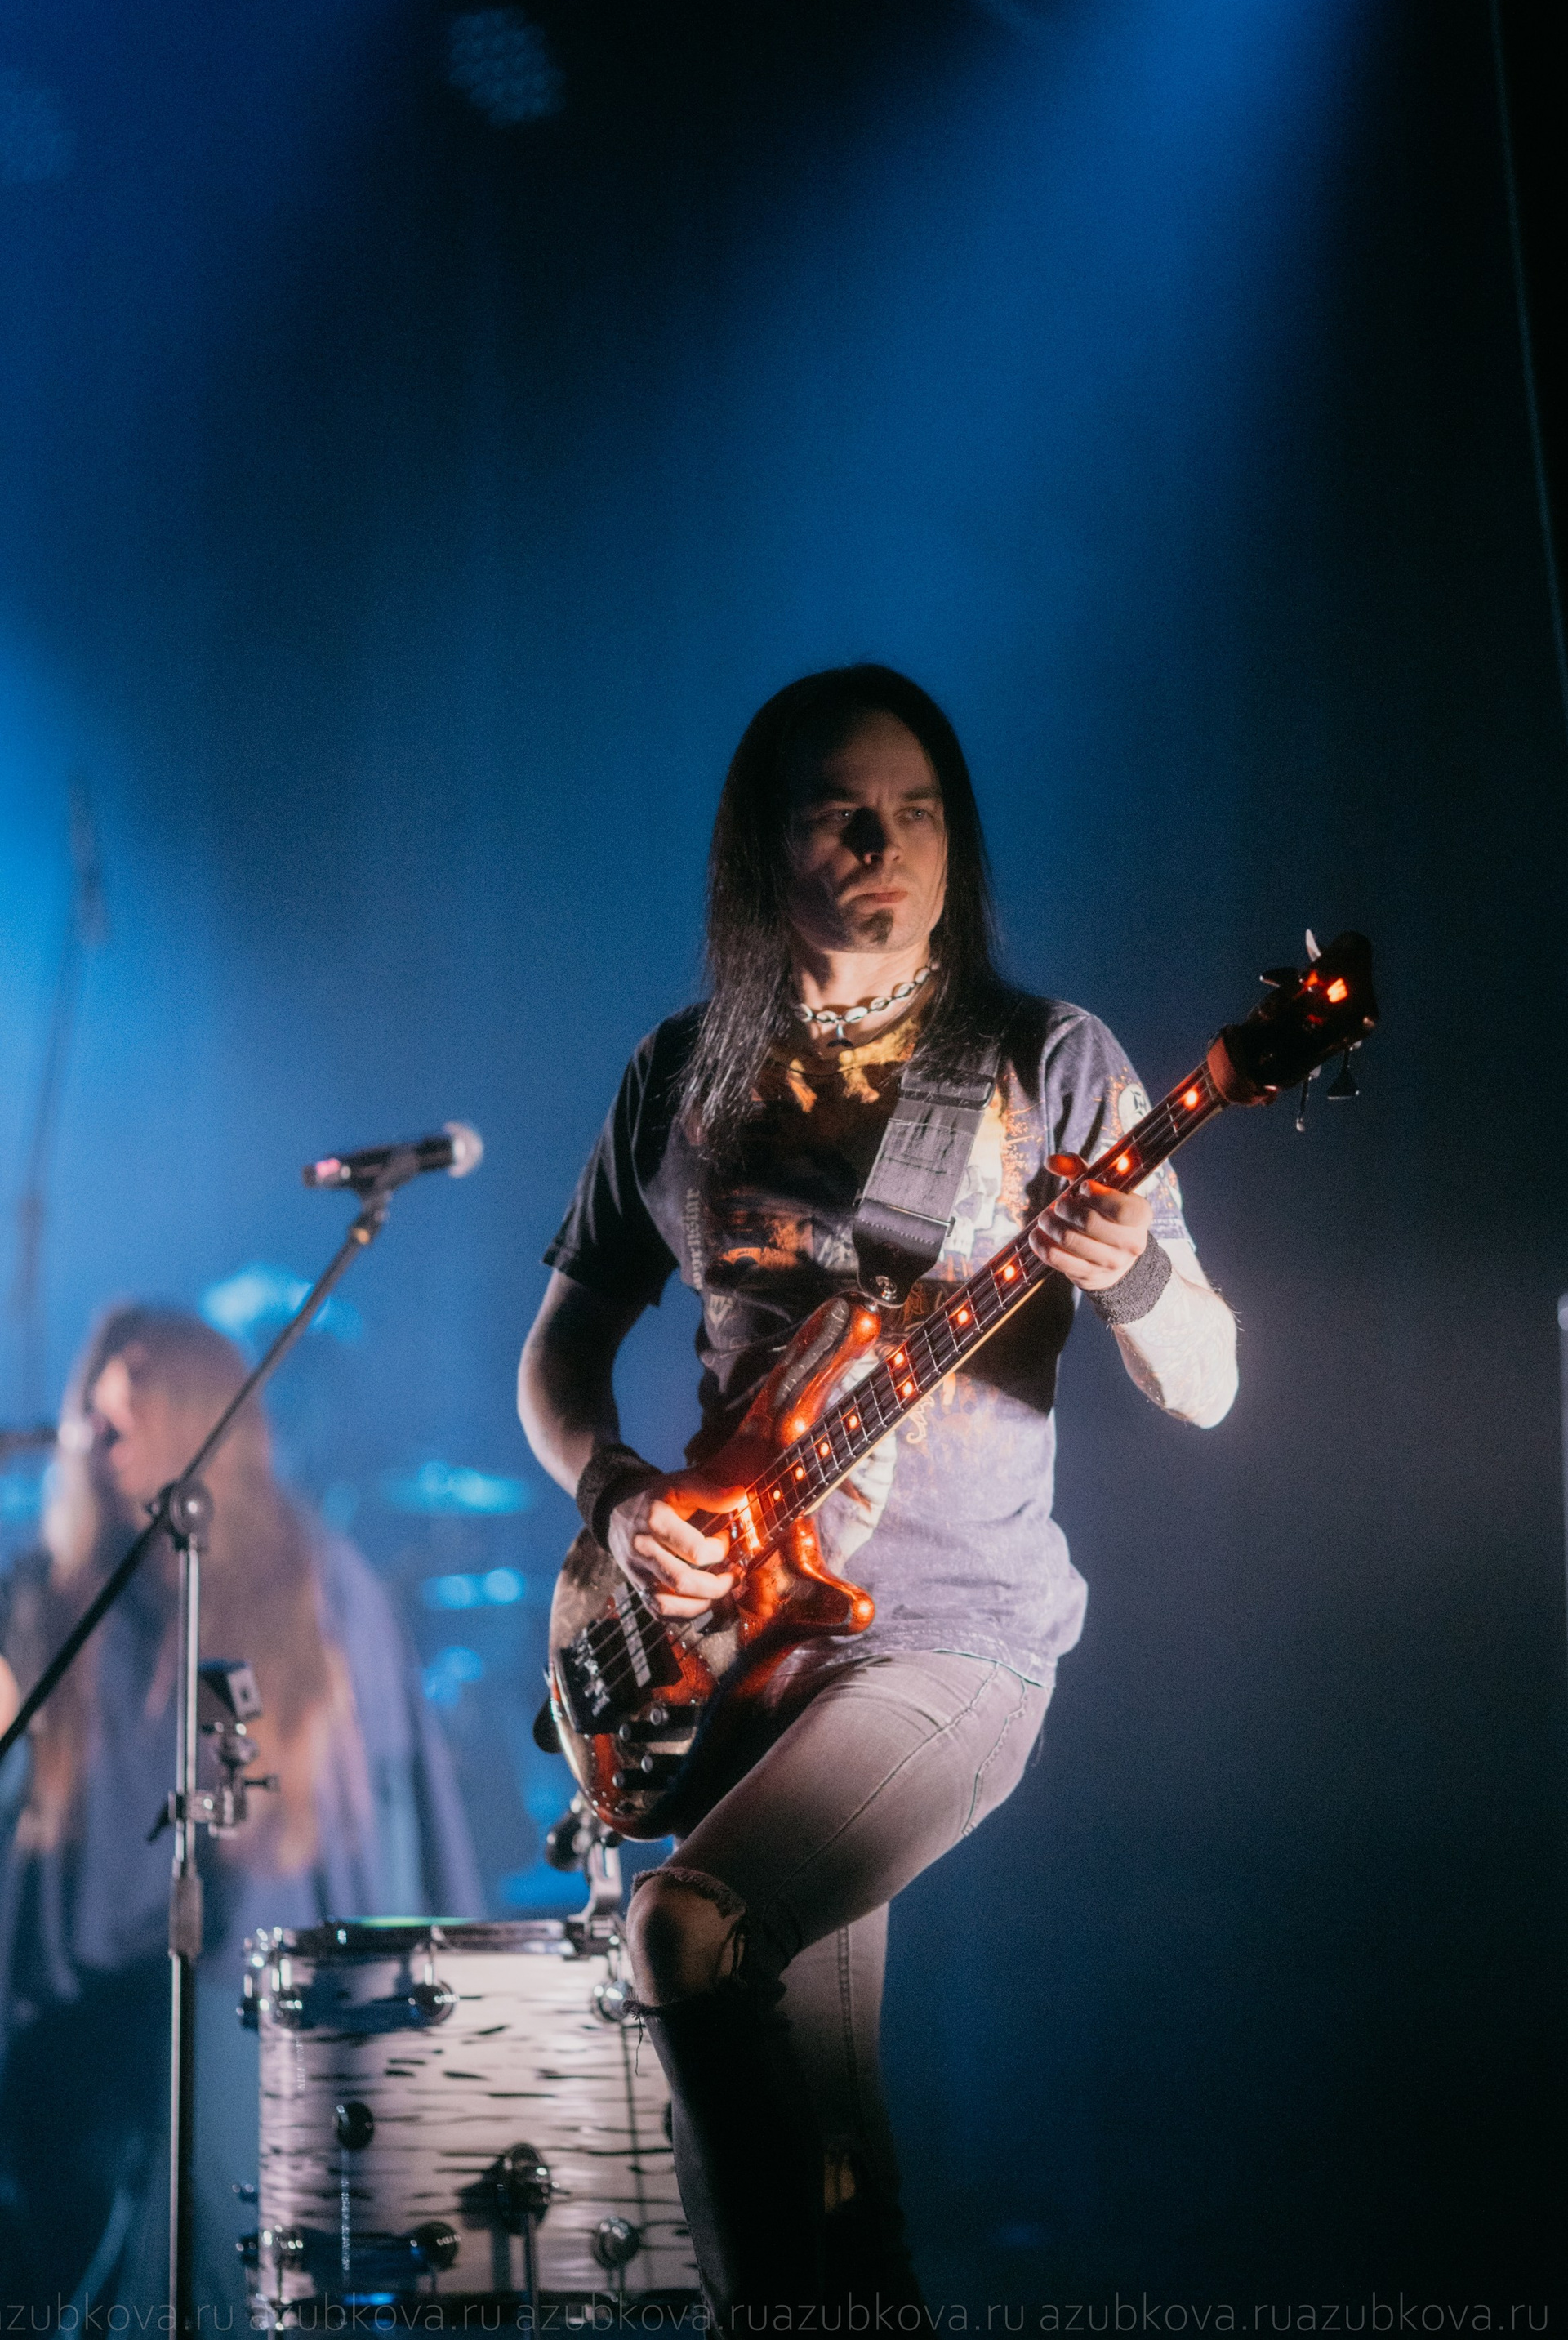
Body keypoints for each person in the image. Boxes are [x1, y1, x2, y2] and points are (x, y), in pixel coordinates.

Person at [518, 665, 1238, 2319]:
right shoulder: (679, 1071)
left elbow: (1209, 1383)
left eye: (915, 813)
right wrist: (619, 1501)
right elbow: (553, 1361)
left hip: (952, 1640)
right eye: (840, 813)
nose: (881, 846)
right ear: (761, 845)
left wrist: (1131, 1275)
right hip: (734, 1652)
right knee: (830, 2146)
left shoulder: (1044, 1060)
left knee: (682, 1935)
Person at [0, 1304, 482, 2315]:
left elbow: (356, 1814)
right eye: (97, 1378)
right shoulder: (50, 1589)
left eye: (137, 1374)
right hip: (73, 2004)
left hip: (242, 1989)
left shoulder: (306, 1581)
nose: (103, 1402)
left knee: (203, 2187)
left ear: (200, 1406)